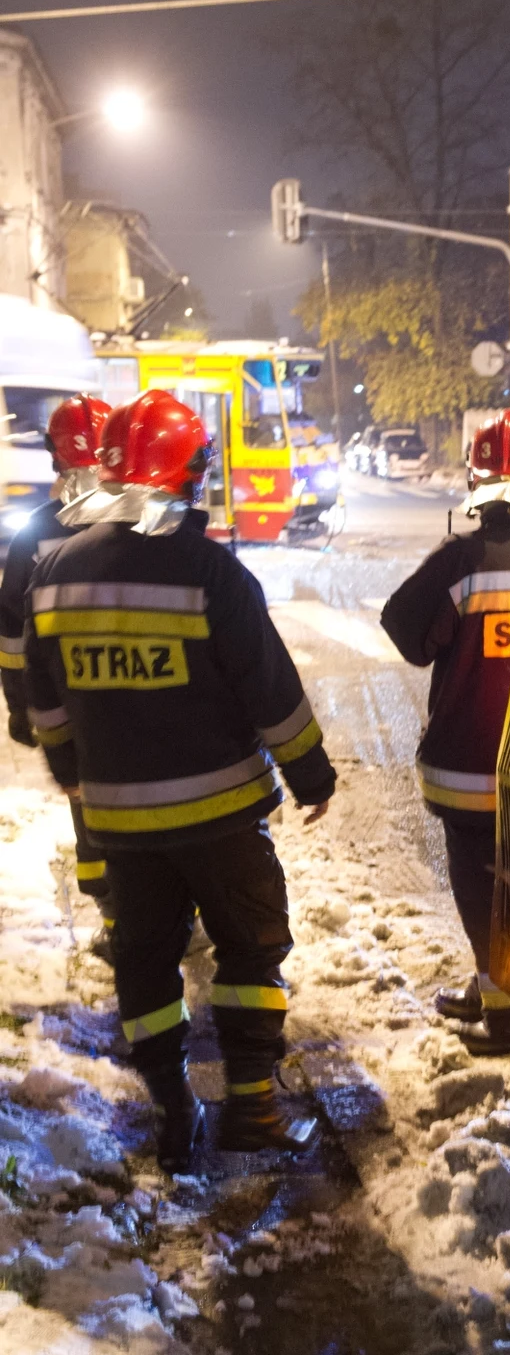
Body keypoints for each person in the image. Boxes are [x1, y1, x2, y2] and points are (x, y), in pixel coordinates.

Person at [24, 389, 336, 1172]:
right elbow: (270, 690)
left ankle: (172, 1111)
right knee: (251, 948)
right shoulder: (210, 572)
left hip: (121, 823)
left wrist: (76, 777)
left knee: (145, 962)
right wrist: (310, 774)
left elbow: (47, 704)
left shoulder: (55, 573)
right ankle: (254, 1107)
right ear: (188, 473)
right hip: (223, 816)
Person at [381, 409, 510, 1055]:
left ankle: (508, 1014)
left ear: (475, 480)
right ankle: (495, 985)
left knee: (480, 885)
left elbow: (405, 629)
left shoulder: (461, 561)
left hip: (472, 766)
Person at [0, 394, 115, 949]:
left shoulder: (33, 536)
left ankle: (119, 926)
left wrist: (21, 710)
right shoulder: (144, 523)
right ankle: (167, 921)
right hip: (136, 697)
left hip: (65, 708)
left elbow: (12, 636)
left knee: (87, 810)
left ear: (54, 458)